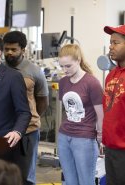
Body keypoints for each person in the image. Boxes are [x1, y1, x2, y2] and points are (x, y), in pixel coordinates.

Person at [2, 31, 49, 185]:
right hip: (3, 129)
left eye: (13, 49)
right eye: (6, 49)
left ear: (22, 49)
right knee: (4, 173)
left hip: (28, 131)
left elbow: (42, 100)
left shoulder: (34, 71)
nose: (9, 52)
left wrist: (30, 118)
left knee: (26, 176)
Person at [57, 44, 103, 185]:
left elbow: (100, 114)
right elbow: (65, 110)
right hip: (64, 137)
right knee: (69, 181)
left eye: (68, 66)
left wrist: (100, 136)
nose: (64, 70)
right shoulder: (63, 82)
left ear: (78, 60)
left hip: (84, 140)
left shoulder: (92, 82)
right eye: (62, 66)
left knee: (85, 181)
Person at [102, 25, 125, 185]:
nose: (111, 46)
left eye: (115, 42)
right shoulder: (111, 75)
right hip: (110, 147)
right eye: (110, 42)